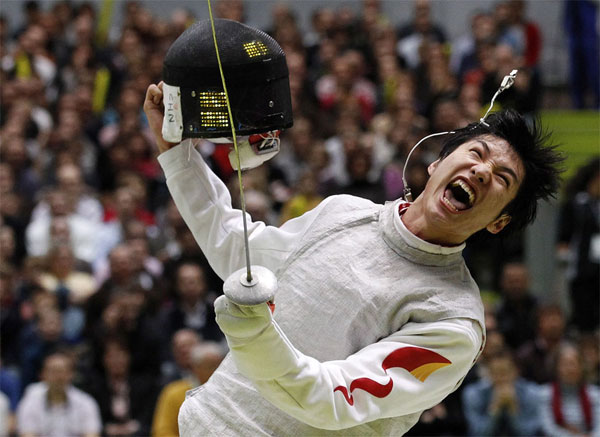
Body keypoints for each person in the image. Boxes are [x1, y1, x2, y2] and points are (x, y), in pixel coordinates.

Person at [144, 19, 562, 436]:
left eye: (502, 178)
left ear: (499, 222)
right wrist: (178, 157)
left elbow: (335, 399)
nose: (483, 171)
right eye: (477, 152)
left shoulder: (453, 321)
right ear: (436, 163)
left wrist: (257, 338)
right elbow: (240, 251)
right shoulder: (342, 212)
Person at [16, 351, 102, 437]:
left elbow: (92, 433)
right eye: (53, 371)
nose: (58, 377)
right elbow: (27, 433)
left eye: (62, 371)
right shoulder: (31, 400)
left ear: (71, 374)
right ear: (43, 375)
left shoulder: (86, 402)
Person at [462, 349, 543, 436]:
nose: (501, 378)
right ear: (488, 373)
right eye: (495, 373)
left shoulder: (531, 392)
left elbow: (530, 434)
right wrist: (494, 410)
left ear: (516, 372)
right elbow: (478, 434)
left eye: (505, 373)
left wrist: (514, 410)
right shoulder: (473, 393)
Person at [538, 343, 600, 436]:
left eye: (573, 363)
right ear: (556, 368)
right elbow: (548, 428)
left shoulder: (595, 393)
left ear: (581, 367)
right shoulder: (545, 393)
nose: (570, 369)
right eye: (565, 364)